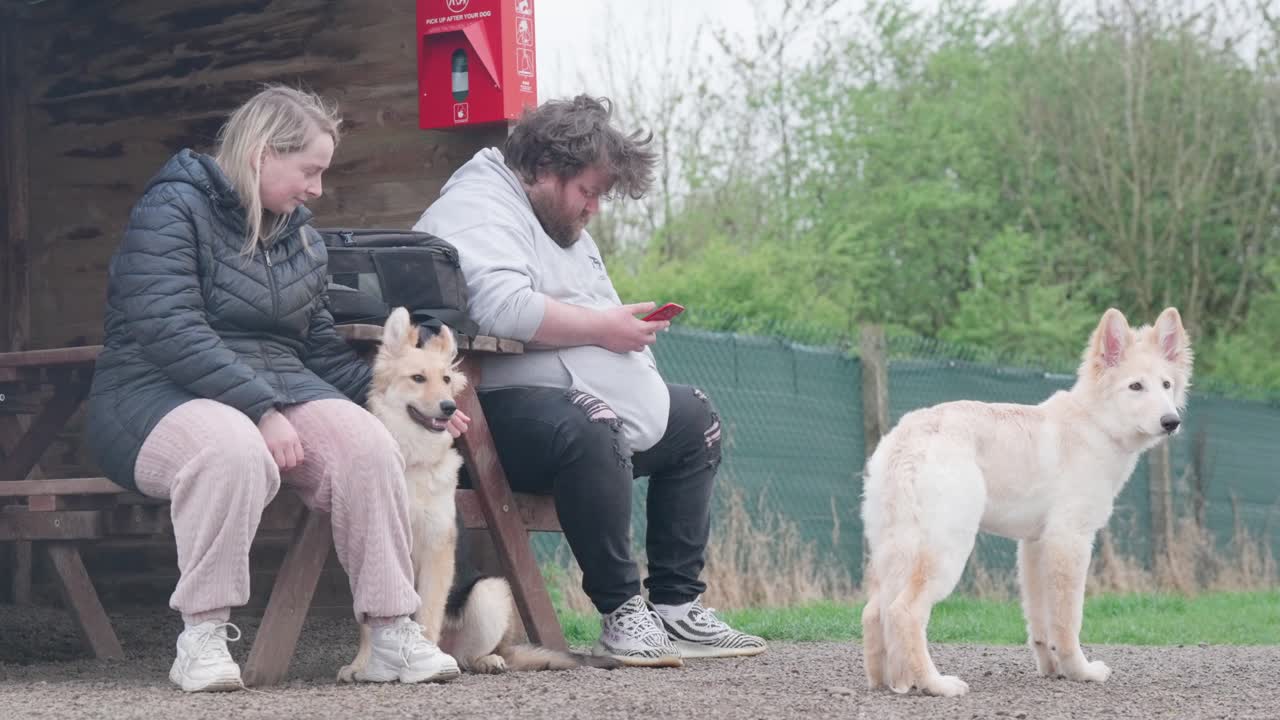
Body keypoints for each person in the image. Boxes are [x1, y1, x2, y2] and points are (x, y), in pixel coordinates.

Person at [85, 85, 468, 692]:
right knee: (231, 449)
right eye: (309, 170)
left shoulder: (302, 240)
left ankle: (394, 633)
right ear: (263, 153)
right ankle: (203, 638)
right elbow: (168, 327)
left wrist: (417, 406)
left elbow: (315, 352)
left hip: (277, 390)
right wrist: (260, 408)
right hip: (153, 392)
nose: (317, 188)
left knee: (369, 446)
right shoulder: (172, 209)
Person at [412, 95, 767, 667]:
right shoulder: (479, 204)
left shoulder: (557, 217)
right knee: (592, 425)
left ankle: (676, 607)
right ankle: (622, 614)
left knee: (695, 418)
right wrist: (604, 329)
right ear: (545, 170)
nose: (595, 207)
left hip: (560, 397)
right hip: (484, 408)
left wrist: (617, 327)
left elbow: (585, 305)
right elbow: (502, 307)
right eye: (589, 191)